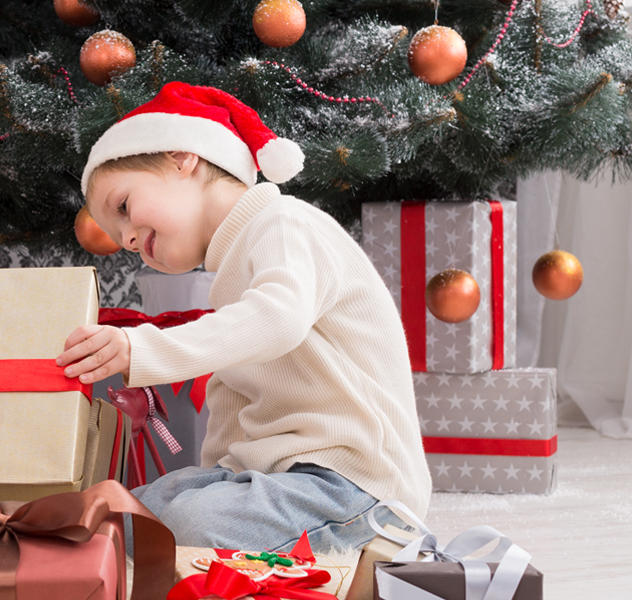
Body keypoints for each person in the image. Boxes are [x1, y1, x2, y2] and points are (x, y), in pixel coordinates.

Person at [55, 82, 430, 553]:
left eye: (124, 207)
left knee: (189, 524)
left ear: (180, 157)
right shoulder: (230, 279)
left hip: (356, 483)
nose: (128, 239)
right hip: (280, 476)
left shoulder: (286, 222)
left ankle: (363, 549)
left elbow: (279, 318)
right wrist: (213, 479)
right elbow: (232, 401)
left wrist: (142, 347)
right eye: (120, 237)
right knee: (129, 512)